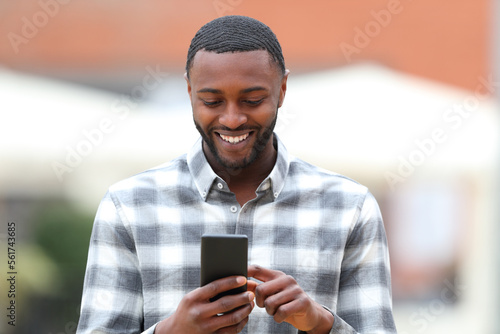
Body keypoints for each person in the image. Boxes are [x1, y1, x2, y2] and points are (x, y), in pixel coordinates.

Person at [76, 15, 397, 334]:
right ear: (189, 91)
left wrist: (320, 323)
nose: (232, 119)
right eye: (212, 101)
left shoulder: (349, 207)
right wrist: (171, 331)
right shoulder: (128, 205)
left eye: (252, 100)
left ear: (282, 89)